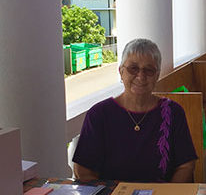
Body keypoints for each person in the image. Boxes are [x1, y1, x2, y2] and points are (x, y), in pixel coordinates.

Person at [73, 38, 197, 183]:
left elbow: (186, 165)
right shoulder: (100, 114)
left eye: (149, 70)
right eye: (133, 68)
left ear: (157, 75)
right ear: (121, 72)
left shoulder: (173, 112)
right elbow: (83, 169)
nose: (141, 76)